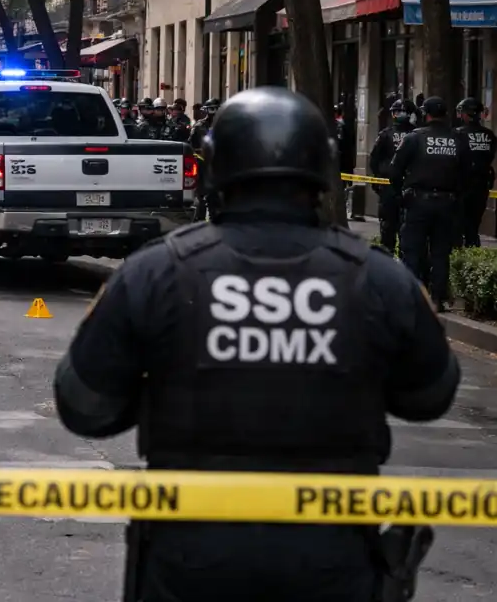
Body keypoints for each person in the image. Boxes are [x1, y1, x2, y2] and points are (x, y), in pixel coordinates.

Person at [54, 86, 460, 602]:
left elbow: (85, 406)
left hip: (189, 557)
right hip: (332, 559)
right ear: (321, 170)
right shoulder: (380, 279)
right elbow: (428, 397)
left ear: (217, 168)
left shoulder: (156, 271)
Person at [390, 96, 470, 310]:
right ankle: (437, 299)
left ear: (425, 114)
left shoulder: (414, 138)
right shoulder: (458, 140)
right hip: (447, 203)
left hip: (417, 203)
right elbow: (467, 174)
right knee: (440, 253)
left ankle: (412, 297)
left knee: (412, 250)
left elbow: (395, 171)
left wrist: (400, 195)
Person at [367, 99, 414, 253]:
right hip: (405, 187)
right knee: (400, 225)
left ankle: (389, 255)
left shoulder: (387, 134)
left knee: (391, 225)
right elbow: (374, 160)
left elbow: (374, 160)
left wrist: (378, 180)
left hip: (396, 187)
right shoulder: (416, 135)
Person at [454, 97, 495, 247]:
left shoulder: (457, 134)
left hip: (461, 185)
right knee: (473, 225)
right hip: (482, 185)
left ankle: (460, 261)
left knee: (458, 225)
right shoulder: (489, 135)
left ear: (466, 114)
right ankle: (472, 253)